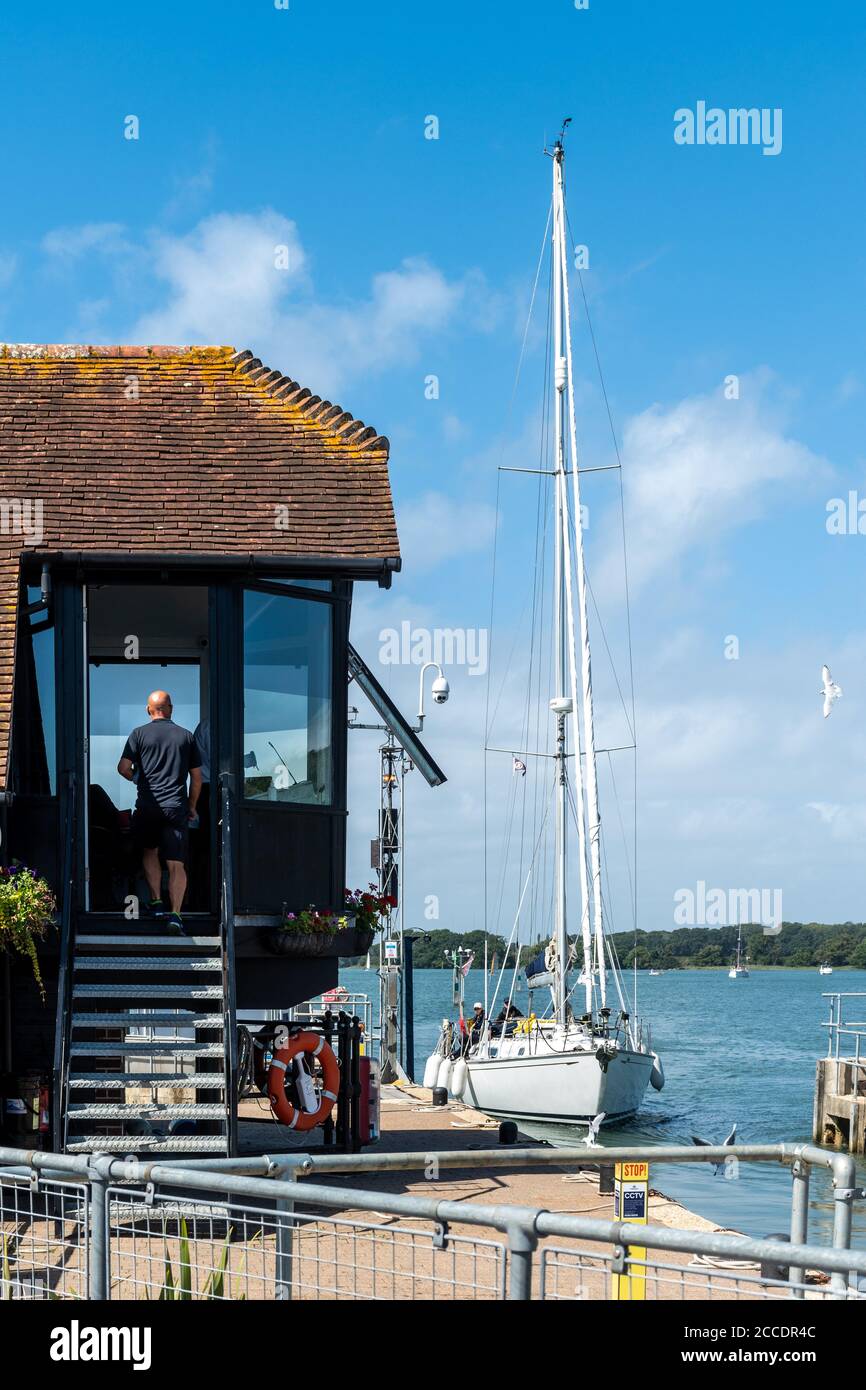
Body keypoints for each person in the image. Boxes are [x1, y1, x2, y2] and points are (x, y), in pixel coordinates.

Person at [117, 690, 202, 935]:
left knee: (149, 851)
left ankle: (155, 902)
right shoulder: (186, 737)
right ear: (171, 709)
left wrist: (137, 779)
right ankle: (175, 915)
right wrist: (192, 806)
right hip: (175, 806)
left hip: (147, 806)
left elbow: (123, 767)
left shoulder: (138, 734)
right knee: (176, 864)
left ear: (148, 710)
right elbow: (196, 778)